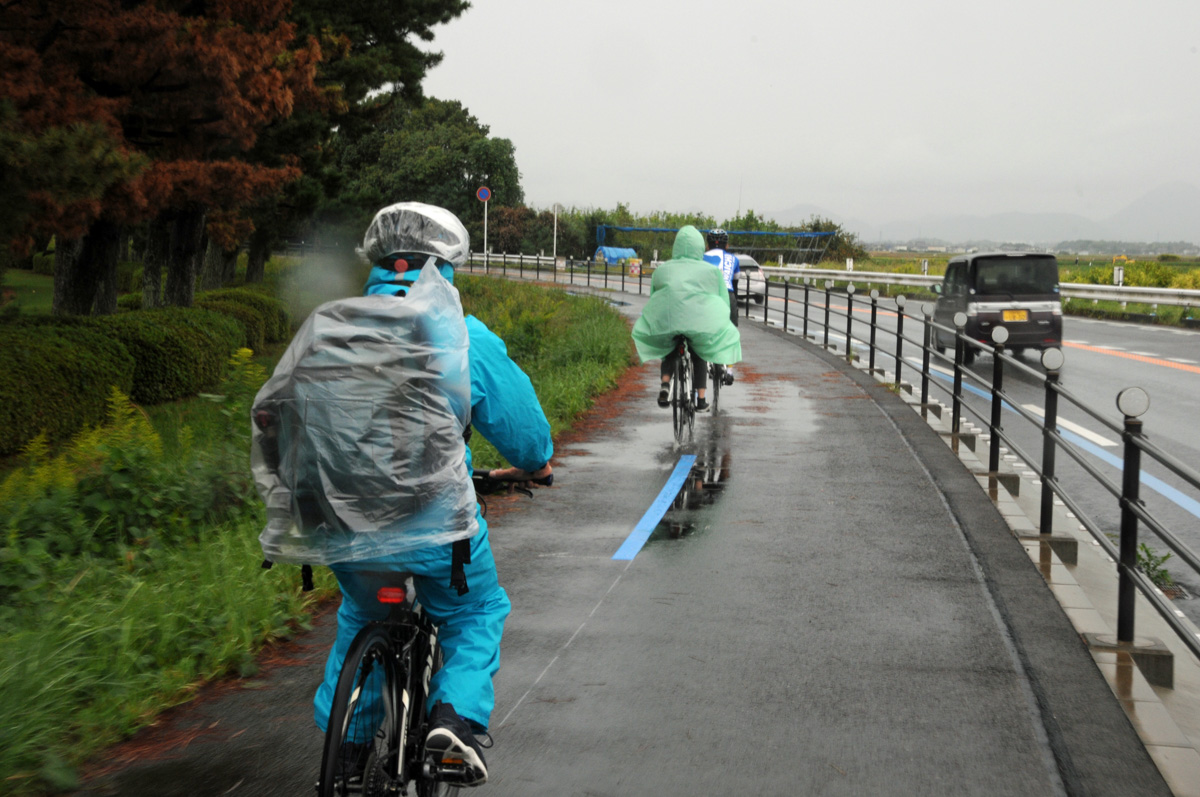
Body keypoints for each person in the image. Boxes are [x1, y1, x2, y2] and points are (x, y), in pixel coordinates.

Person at [320, 202, 553, 787]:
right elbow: (527, 437)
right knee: (476, 609)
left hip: (344, 524)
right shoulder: (463, 336)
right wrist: (535, 465)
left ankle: (344, 753)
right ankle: (454, 720)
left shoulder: (333, 328)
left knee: (363, 613)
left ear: (377, 265)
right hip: (436, 525)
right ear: (445, 268)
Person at [631, 225, 741, 412]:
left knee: (670, 347)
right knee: (698, 352)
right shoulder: (710, 271)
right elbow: (720, 299)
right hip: (697, 321)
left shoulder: (663, 269)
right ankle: (700, 399)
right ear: (700, 247)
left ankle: (665, 384)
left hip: (671, 319)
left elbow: (654, 296)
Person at [703, 228, 741, 384]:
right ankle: (730, 371)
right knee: (731, 332)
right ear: (727, 245)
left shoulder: (701, 258)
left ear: (707, 245)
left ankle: (706, 363)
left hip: (708, 295)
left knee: (704, 330)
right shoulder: (734, 259)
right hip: (728, 294)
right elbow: (735, 283)